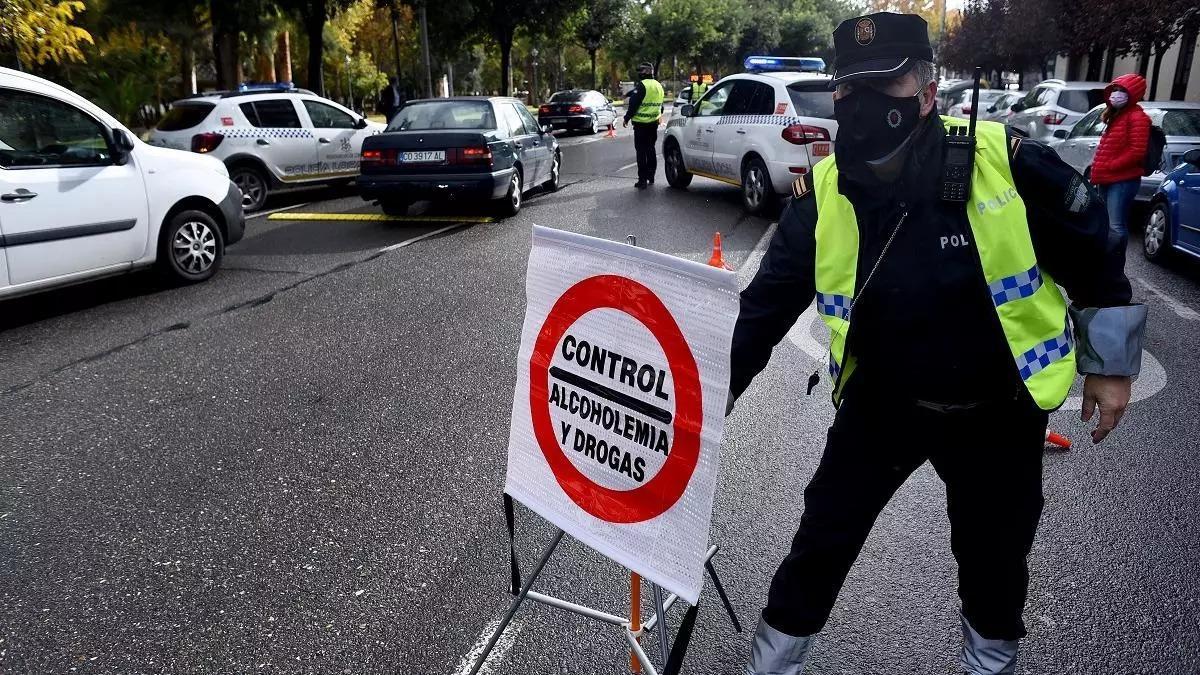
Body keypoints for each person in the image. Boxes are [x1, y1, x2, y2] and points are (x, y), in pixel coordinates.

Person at [732, 12, 1147, 675]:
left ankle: (989, 664)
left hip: (995, 412)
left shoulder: (999, 160)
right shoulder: (825, 191)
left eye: (886, 85)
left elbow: (1092, 241)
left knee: (994, 566)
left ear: (927, 93)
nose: (864, 104)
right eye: (850, 88)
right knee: (820, 543)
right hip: (880, 406)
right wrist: (695, 409)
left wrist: (1111, 365)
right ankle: (769, 665)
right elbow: (758, 313)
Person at [1090, 73, 1151, 241]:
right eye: (1115, 90)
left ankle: (1116, 263)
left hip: (1122, 180)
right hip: (1107, 178)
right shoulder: (1116, 116)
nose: (1116, 94)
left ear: (1132, 94)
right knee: (1105, 223)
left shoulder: (1137, 117)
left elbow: (1137, 150)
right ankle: (1106, 261)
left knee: (1115, 226)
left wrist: (1111, 165)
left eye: (1121, 90)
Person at [622, 62, 664, 189]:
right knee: (651, 150)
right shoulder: (658, 86)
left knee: (641, 152)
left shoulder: (642, 86)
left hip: (641, 125)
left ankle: (642, 180)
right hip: (653, 124)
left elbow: (633, 104)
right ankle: (651, 176)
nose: (639, 73)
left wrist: (626, 118)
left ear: (645, 72)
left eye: (640, 71)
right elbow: (660, 107)